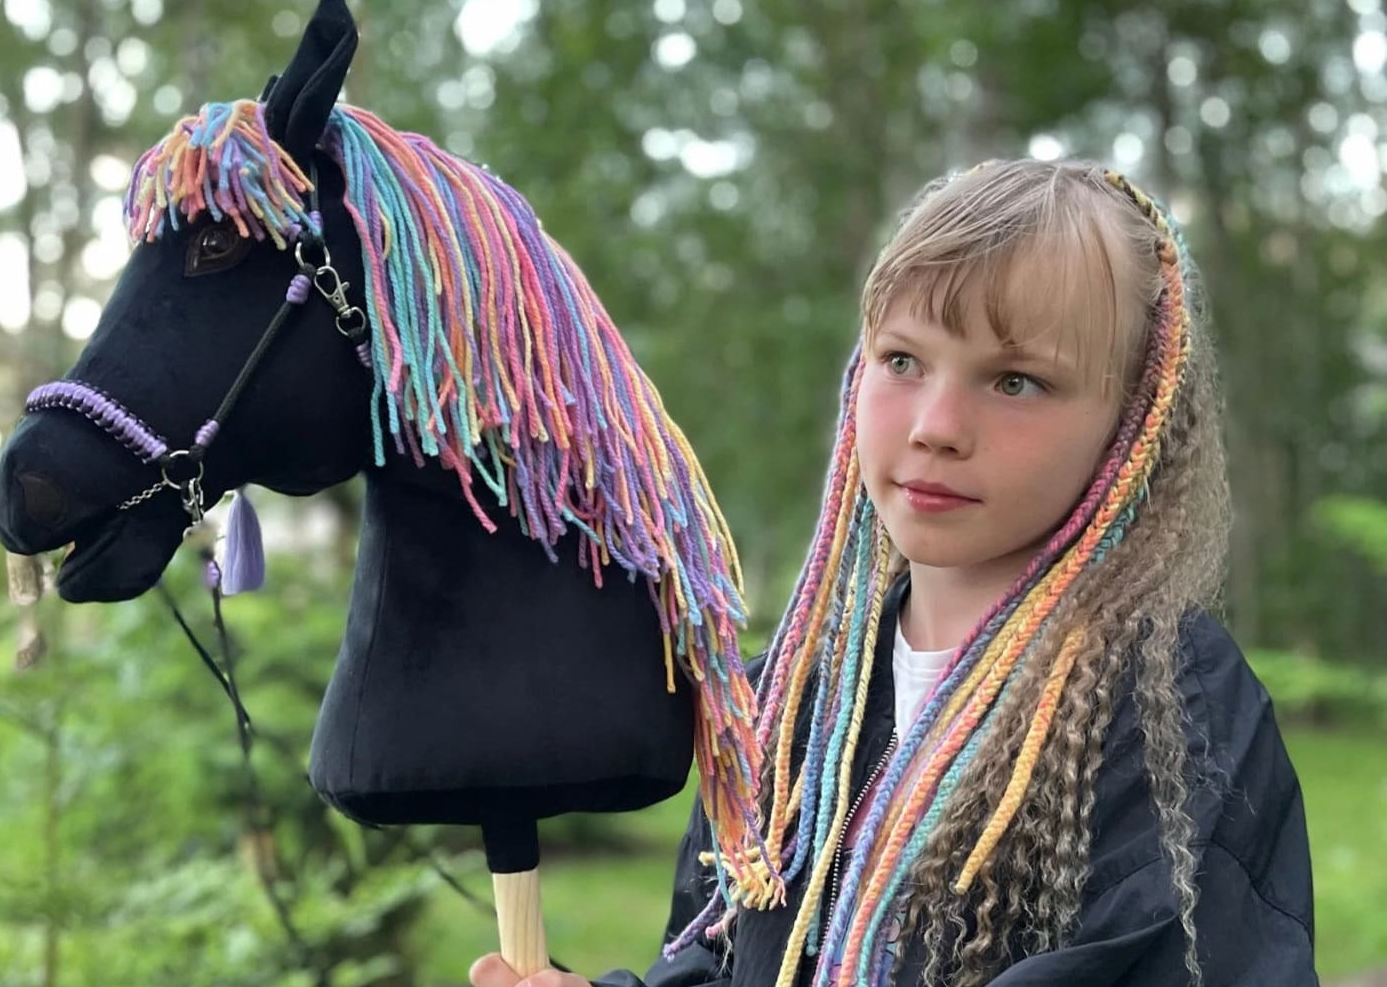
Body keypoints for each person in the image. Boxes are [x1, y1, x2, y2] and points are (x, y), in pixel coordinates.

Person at [468, 159, 1318, 987]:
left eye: (1016, 381)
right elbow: (717, 957)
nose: (937, 426)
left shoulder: (1174, 707)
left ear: (1131, 430)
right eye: (903, 361)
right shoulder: (797, 704)